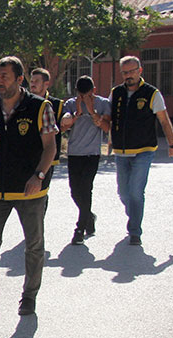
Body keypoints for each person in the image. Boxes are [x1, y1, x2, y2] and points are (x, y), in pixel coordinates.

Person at [0, 56, 58, 322]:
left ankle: (29, 297)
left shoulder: (41, 107)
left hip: (30, 191)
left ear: (19, 79)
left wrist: (39, 175)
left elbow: (50, 146)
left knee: (34, 246)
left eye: (4, 76)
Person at [109, 55, 173, 245]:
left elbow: (164, 121)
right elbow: (109, 120)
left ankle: (135, 232)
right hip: (121, 153)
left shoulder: (152, 93)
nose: (128, 76)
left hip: (143, 151)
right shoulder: (116, 93)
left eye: (131, 71)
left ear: (140, 71)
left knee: (135, 192)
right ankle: (134, 218)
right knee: (123, 193)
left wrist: (172, 146)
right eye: (125, 73)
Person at [59, 75, 111, 245]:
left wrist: (93, 112)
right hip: (74, 154)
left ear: (93, 91)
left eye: (87, 95)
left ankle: (79, 229)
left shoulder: (103, 103)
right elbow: (64, 125)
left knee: (86, 189)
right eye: (81, 95)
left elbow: (107, 127)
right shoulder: (71, 104)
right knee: (75, 191)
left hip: (92, 154)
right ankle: (88, 216)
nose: (84, 98)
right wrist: (77, 114)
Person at [29, 68, 64, 173]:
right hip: (27, 155)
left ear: (46, 84)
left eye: (37, 81)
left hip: (46, 157)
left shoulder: (57, 104)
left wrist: (68, 117)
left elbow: (63, 123)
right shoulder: (23, 102)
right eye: (31, 81)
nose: (33, 84)